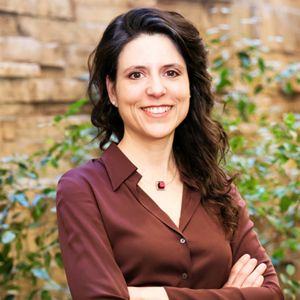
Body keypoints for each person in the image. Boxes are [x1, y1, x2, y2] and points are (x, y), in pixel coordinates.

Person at [56, 7, 284, 300]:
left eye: (171, 72)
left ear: (190, 85)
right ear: (112, 91)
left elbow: (272, 293)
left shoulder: (217, 187)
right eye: (136, 75)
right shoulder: (82, 190)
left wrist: (151, 295)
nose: (156, 89)